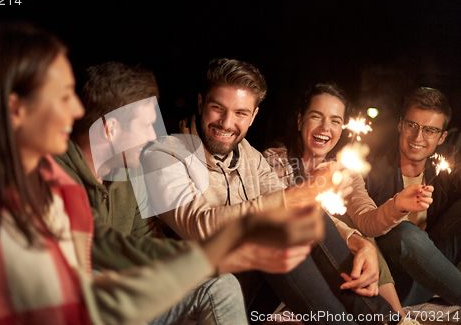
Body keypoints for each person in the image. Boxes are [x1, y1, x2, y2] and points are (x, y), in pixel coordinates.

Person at [0, 23, 325, 325]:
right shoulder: (17, 195)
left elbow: (120, 245)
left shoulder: (82, 184)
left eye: (242, 113)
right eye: (62, 95)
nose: (75, 109)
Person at [141, 58, 401, 324]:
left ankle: (385, 320)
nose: (226, 122)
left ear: (253, 116)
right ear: (200, 104)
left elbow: (297, 206)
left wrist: (357, 242)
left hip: (252, 288)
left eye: (240, 113)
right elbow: (198, 226)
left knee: (308, 218)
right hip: (199, 295)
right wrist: (296, 197)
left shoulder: (249, 156)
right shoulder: (163, 155)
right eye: (217, 108)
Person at [55, 61, 248, 324]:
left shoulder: (128, 172)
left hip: (127, 293)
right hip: (84, 304)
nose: (152, 135)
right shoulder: (54, 176)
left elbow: (146, 239)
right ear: (110, 129)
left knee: (218, 285)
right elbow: (90, 251)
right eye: (145, 125)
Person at [263, 82, 414, 317]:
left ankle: (394, 315)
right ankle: (391, 317)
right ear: (300, 119)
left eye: (335, 120)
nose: (325, 127)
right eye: (316, 116)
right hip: (295, 271)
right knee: (351, 232)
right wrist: (357, 241)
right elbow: (294, 215)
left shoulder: (344, 167)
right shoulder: (276, 161)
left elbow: (365, 218)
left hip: (343, 273)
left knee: (362, 232)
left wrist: (397, 206)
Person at [349, 87, 461, 307]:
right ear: (401, 125)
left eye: (430, 130)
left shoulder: (446, 162)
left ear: (441, 137)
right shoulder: (371, 168)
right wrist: (397, 207)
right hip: (396, 283)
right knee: (405, 232)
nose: (418, 137)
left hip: (435, 272)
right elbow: (364, 222)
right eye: (412, 125)